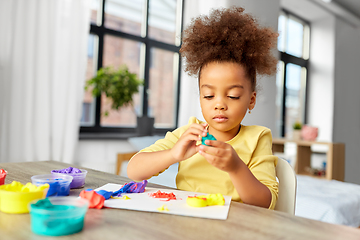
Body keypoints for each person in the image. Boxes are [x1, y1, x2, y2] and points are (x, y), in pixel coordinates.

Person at [127, 6, 279, 209]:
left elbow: (265, 202)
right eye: (209, 95)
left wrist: (236, 168)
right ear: (200, 98)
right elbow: (134, 171)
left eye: (233, 96)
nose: (219, 104)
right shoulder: (188, 134)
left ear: (251, 100)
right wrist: (173, 154)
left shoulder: (258, 138)